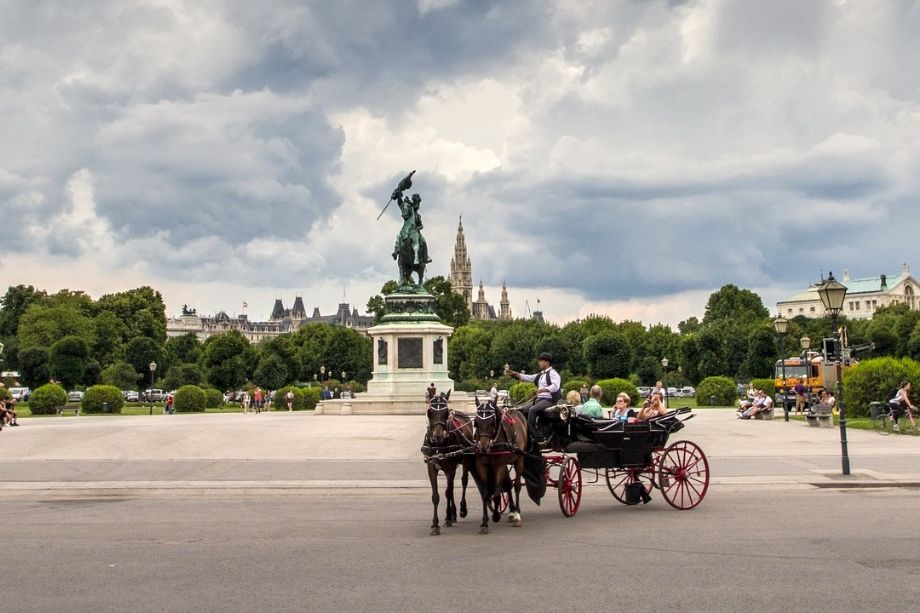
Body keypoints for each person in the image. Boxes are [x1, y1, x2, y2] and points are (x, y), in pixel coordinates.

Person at [507, 352, 561, 444]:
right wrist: (517, 375)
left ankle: (533, 434)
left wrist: (544, 389)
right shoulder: (541, 375)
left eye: (541, 361)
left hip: (548, 400)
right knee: (520, 409)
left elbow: (556, 386)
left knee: (533, 409)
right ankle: (520, 431)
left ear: (547, 362)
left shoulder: (553, 373)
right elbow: (529, 378)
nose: (539, 363)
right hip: (539, 400)